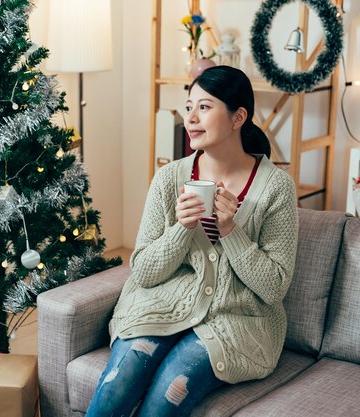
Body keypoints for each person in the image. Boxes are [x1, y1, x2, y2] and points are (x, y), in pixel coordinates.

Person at [85, 66, 299, 417]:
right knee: (118, 382)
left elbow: (274, 286)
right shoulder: (170, 178)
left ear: (237, 117)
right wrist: (182, 228)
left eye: (204, 107)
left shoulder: (275, 187)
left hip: (236, 320)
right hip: (163, 304)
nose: (191, 118)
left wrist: (231, 231)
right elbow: (143, 272)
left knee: (169, 391)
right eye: (188, 107)